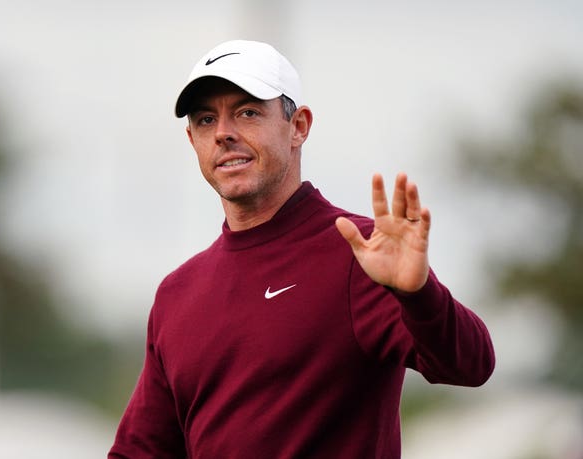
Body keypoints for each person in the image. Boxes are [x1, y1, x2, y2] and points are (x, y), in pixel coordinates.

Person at [108, 39, 495, 459]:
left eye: (247, 112)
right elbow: (140, 451)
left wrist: (418, 295)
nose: (223, 133)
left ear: (299, 126)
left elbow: (470, 366)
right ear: (193, 140)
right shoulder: (176, 293)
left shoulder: (363, 253)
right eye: (205, 120)